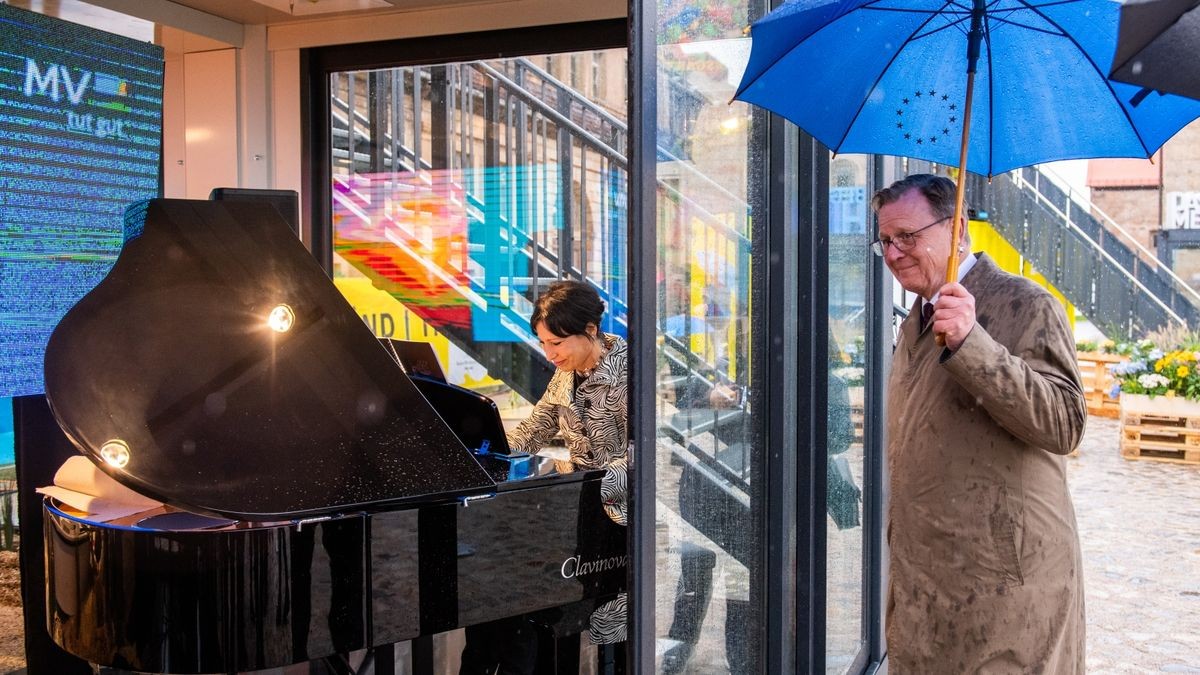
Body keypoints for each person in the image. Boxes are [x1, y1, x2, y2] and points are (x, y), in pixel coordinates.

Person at [871, 174, 1086, 673]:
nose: (894, 252)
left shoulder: (1025, 304)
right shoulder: (916, 320)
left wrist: (974, 343)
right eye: (885, 240)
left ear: (958, 228)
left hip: (1005, 588)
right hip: (927, 584)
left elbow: (1065, 423)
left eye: (908, 236)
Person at [460, 279, 628, 675]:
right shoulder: (566, 373)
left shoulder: (628, 373)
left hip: (619, 516)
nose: (549, 354)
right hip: (577, 512)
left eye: (556, 344)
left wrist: (593, 488)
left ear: (589, 331)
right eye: (543, 344)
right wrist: (487, 452)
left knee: (607, 626)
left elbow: (644, 455)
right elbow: (532, 430)